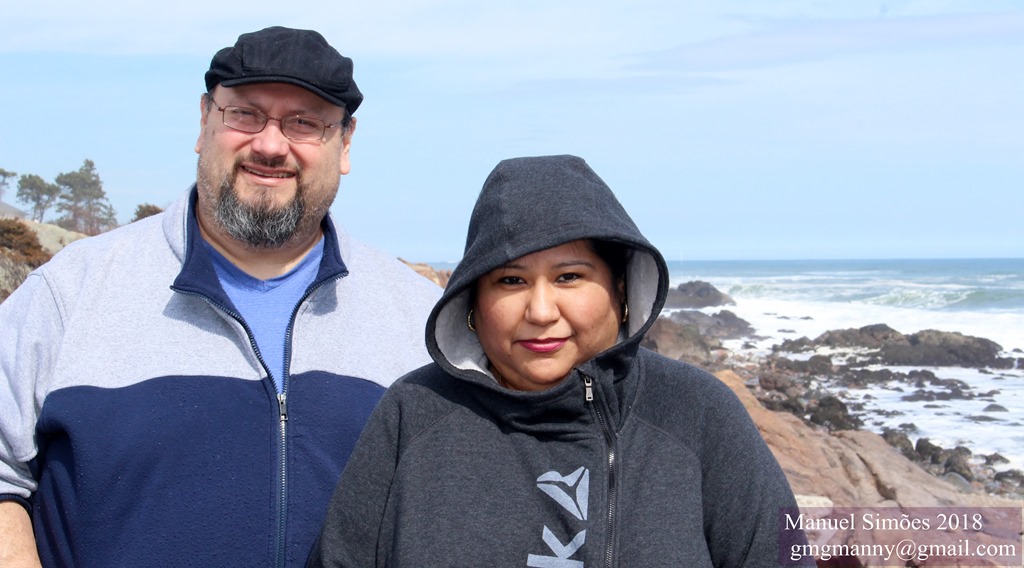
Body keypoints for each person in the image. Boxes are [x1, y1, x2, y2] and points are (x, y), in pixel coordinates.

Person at [0, 26, 441, 567]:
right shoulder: (70, 292)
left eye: (304, 123)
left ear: (345, 143)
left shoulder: (417, 320)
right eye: (245, 115)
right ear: (204, 121)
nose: (270, 145)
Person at [308, 154, 809, 567]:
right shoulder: (415, 412)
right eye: (511, 280)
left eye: (569, 277)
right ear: (473, 303)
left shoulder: (696, 411)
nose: (541, 311)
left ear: (620, 288)